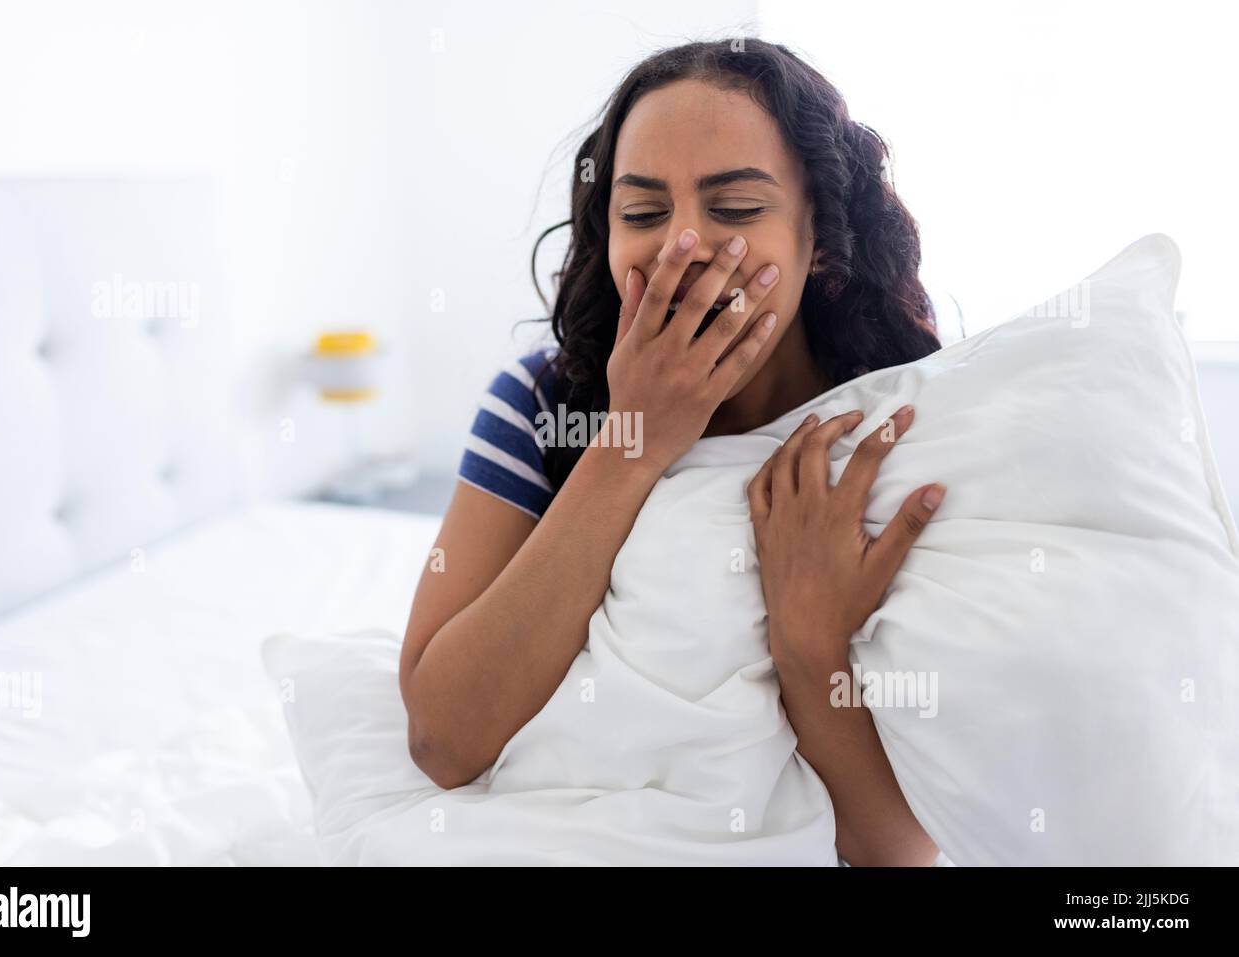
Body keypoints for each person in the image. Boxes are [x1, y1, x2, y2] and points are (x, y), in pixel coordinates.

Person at [399, 38, 947, 866]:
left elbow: (894, 851)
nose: (683, 246)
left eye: (734, 209)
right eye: (644, 214)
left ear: (822, 237)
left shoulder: (896, 428)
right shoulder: (541, 403)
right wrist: (632, 443)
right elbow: (444, 739)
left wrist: (809, 641)